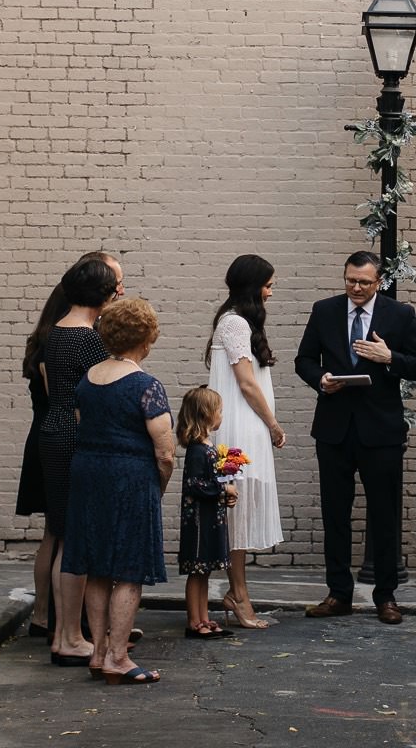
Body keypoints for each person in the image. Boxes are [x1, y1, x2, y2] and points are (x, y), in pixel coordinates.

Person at [293, 250, 416, 624]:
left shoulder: (399, 315)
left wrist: (390, 357)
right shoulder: (324, 310)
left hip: (381, 431)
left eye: (364, 282)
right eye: (350, 280)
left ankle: (385, 597)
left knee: (384, 514)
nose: (355, 288)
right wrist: (320, 380)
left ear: (379, 282)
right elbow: (303, 360)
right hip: (334, 429)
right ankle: (338, 593)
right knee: (334, 514)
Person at [63, 296, 174, 685]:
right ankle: (118, 657)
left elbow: (83, 423)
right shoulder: (146, 385)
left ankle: (97, 653)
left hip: (88, 474)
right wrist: (159, 485)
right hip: (129, 478)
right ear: (146, 338)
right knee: (129, 568)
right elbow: (165, 451)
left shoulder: (88, 380)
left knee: (96, 566)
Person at [17, 250, 121, 640]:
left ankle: (57, 625)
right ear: (103, 294)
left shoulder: (55, 332)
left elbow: (53, 393)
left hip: (52, 431)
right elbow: (93, 399)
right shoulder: (88, 341)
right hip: (76, 437)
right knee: (74, 538)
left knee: (58, 531)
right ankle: (69, 634)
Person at [204, 254, 287, 628]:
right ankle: (238, 595)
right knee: (233, 513)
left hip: (243, 428)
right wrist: (272, 424)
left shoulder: (236, 321)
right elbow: (245, 382)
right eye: (268, 284)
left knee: (236, 513)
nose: (271, 291)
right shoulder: (236, 323)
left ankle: (238, 592)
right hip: (238, 432)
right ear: (254, 286)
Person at [176, 386, 236, 639]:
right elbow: (195, 484)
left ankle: (203, 617)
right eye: (219, 411)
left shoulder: (208, 447)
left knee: (205, 571)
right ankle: (194, 621)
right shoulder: (197, 451)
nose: (222, 415)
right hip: (199, 521)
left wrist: (225, 493)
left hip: (211, 518)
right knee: (197, 571)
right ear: (206, 414)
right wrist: (224, 489)